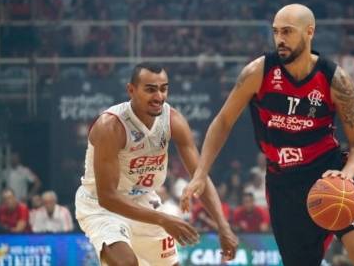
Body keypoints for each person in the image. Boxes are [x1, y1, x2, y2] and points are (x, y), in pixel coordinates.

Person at [182, 4, 354, 266]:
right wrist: (200, 173)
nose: (280, 39)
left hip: (329, 174)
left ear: (309, 32)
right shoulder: (258, 72)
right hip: (284, 185)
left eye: (288, 32)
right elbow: (222, 122)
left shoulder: (335, 80)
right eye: (276, 32)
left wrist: (347, 174)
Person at [75, 63, 238, 266]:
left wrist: (223, 226)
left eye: (163, 89)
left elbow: (200, 177)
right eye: (150, 89)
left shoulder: (173, 120)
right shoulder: (111, 126)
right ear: (131, 90)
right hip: (100, 205)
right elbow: (108, 198)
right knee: (126, 263)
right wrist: (163, 219)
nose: (159, 96)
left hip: (143, 201)